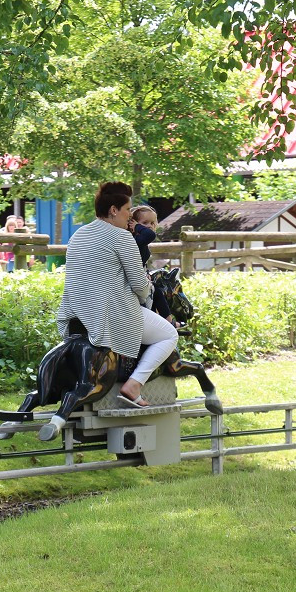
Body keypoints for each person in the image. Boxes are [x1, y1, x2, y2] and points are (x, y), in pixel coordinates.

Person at [52, 182, 178, 432]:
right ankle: (134, 385)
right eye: (127, 211)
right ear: (112, 210)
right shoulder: (121, 237)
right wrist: (148, 290)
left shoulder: (79, 234)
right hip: (112, 313)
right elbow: (140, 286)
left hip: (75, 313)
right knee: (169, 334)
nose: (130, 217)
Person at [130, 205, 175, 324]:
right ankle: (169, 323)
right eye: (144, 223)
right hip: (133, 283)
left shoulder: (141, 240)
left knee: (156, 292)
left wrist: (146, 273)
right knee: (156, 292)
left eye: (152, 223)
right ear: (133, 224)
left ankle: (166, 322)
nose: (149, 226)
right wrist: (137, 227)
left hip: (141, 277)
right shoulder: (135, 240)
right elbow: (150, 235)